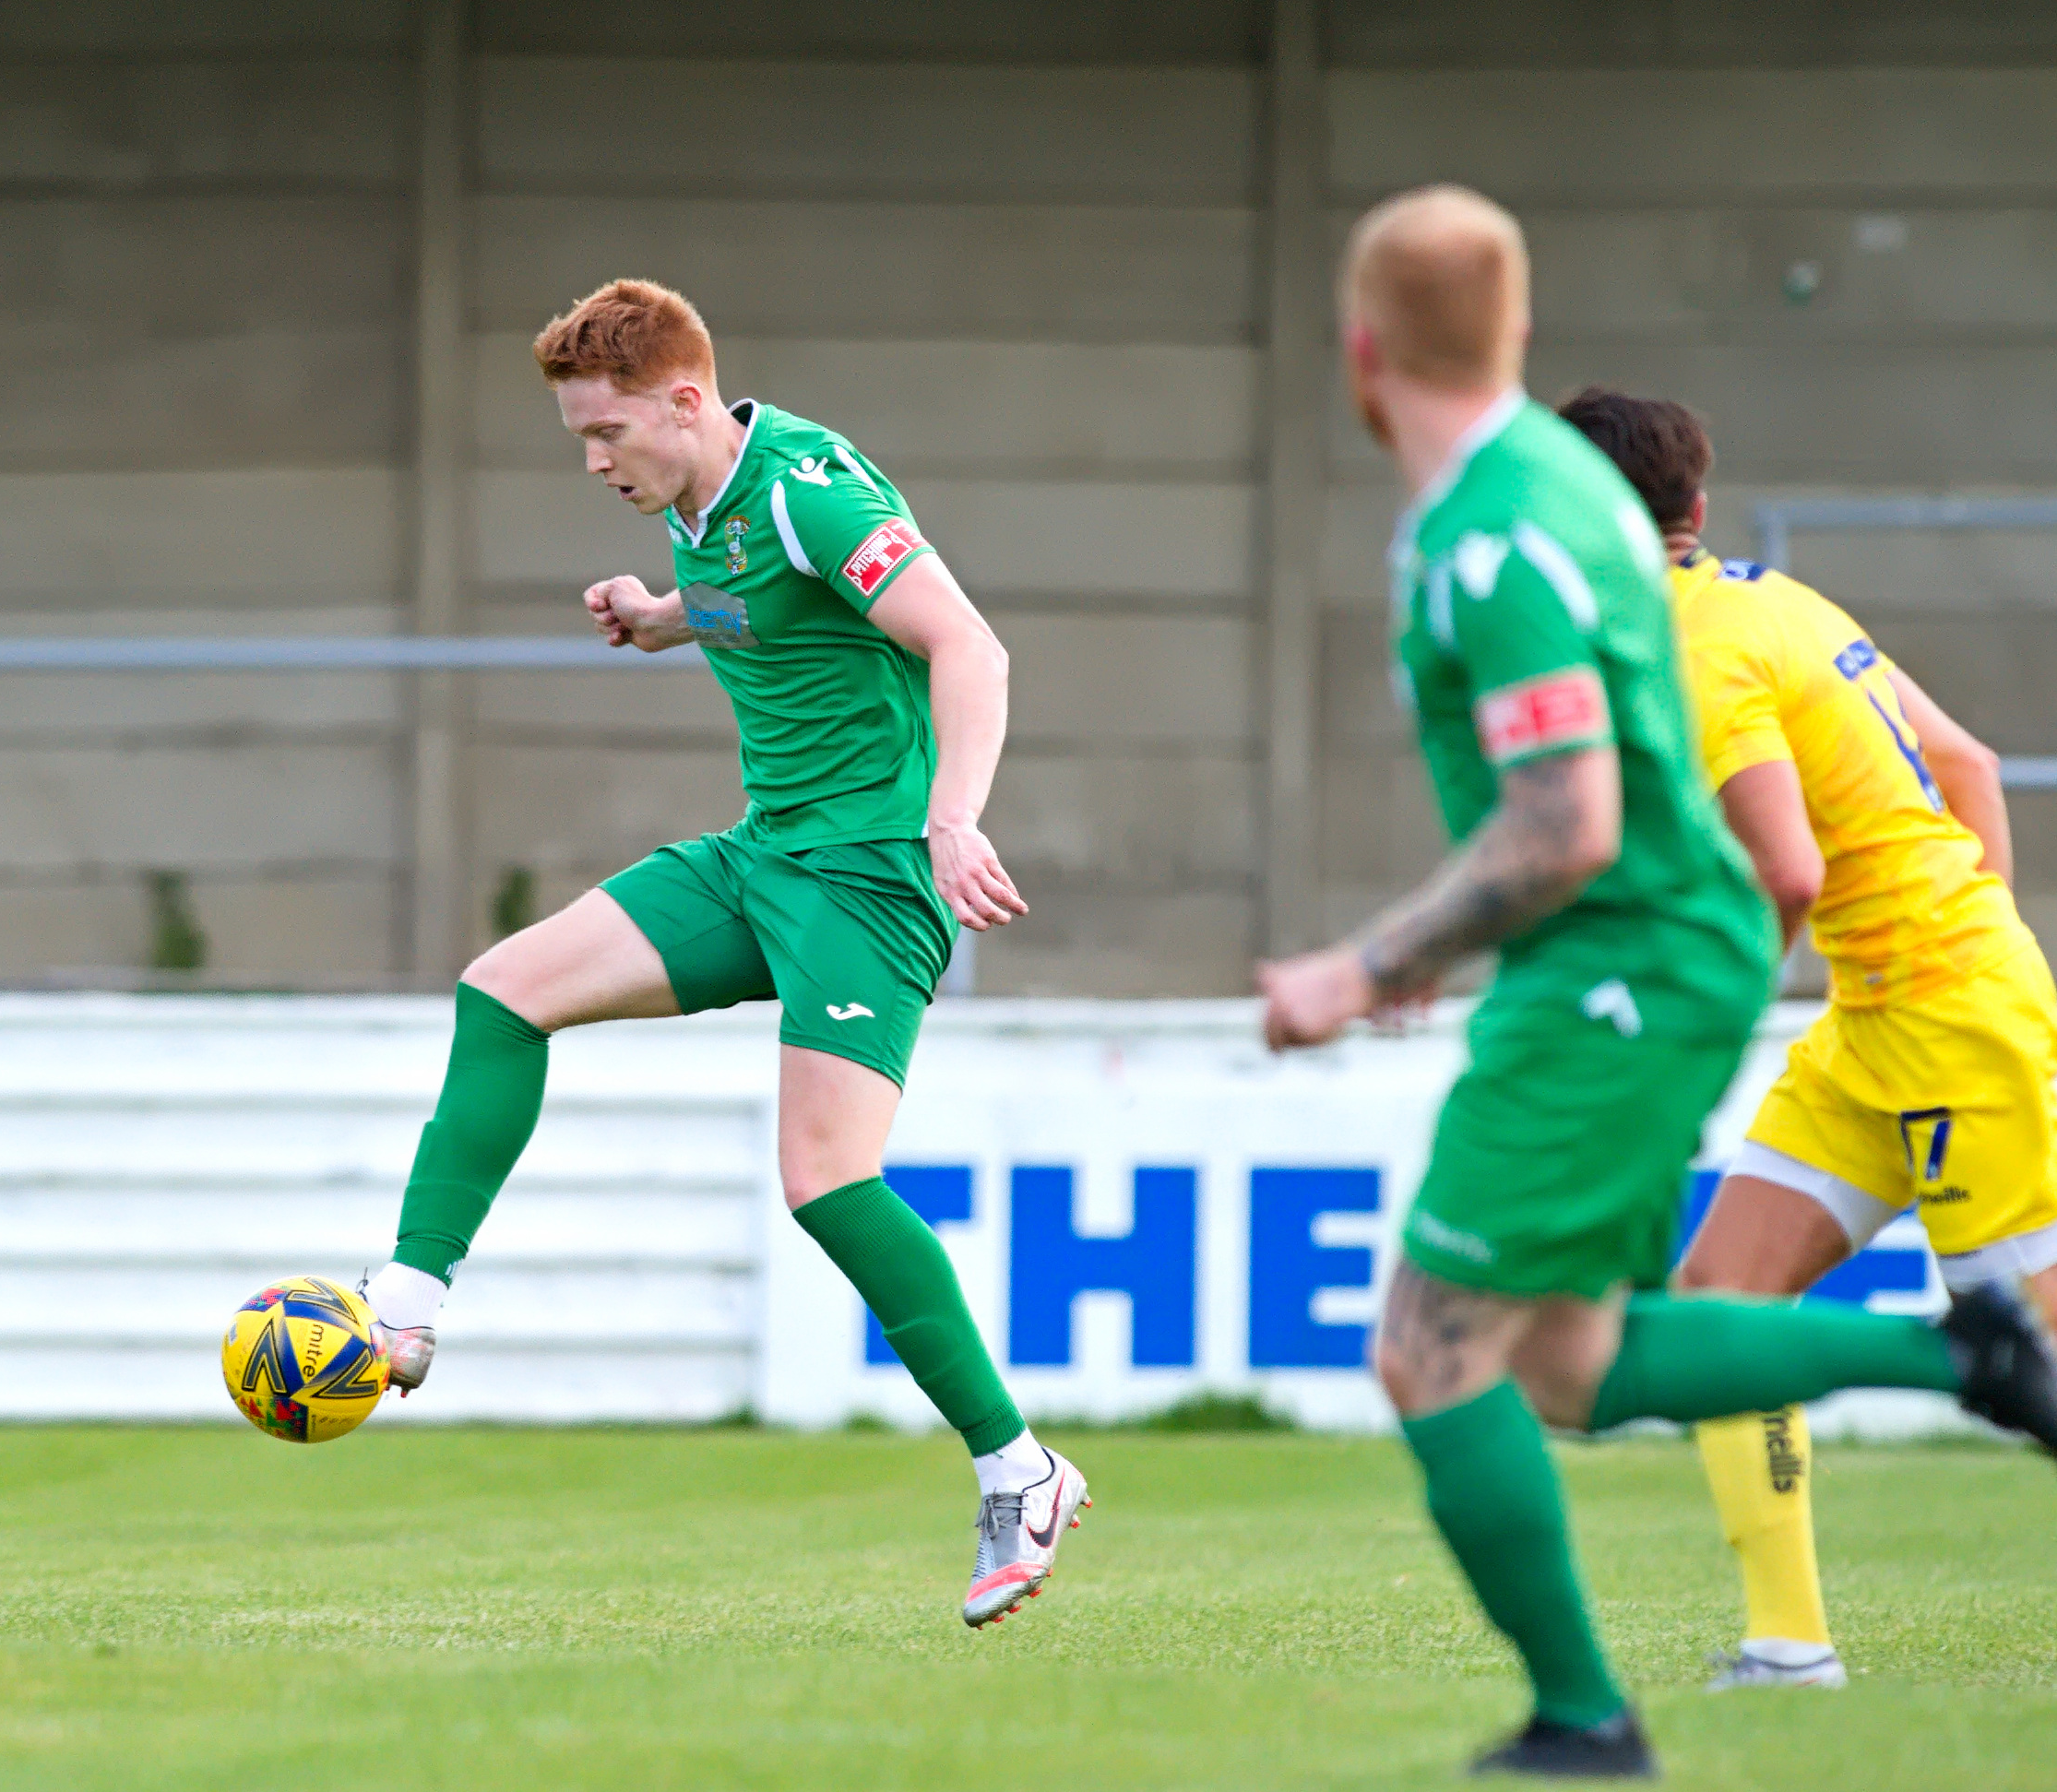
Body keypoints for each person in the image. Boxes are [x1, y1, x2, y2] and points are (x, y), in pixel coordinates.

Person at [1257, 184, 2057, 1780]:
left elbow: (1580, 827)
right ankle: (1903, 1442)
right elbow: (1960, 762)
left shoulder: (1504, 542)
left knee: (1430, 1345)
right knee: (1582, 1355)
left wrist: (1370, 962)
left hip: (1675, 973)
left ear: (1358, 356)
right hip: (1788, 990)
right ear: (1518, 336)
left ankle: (1584, 1721)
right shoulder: (1589, 510)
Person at [362, 279, 1086, 1628]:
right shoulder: (699, 501)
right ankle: (402, 1305)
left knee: (826, 1181)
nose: (592, 463)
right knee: (504, 991)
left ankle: (1020, 1468)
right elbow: (760, 595)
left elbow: (968, 647)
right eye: (582, 439)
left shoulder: (812, 487)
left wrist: (952, 823)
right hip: (766, 858)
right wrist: (660, 615)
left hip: (869, 878)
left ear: (685, 403)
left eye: (607, 436)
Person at [1563, 386, 2057, 1691]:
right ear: (1696, 507)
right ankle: (1789, 1648)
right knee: (1723, 1299)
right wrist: (1961, 939)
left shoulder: (1685, 645)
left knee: (2041, 1360)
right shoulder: (1782, 602)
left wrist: (1692, 1032)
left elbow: (1779, 870)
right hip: (1886, 1016)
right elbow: (1972, 763)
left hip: (1949, 1022)